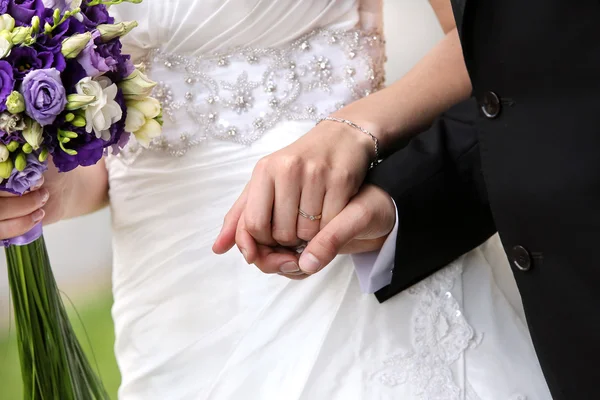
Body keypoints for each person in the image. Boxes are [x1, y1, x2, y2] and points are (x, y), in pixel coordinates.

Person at [0, 1, 550, 399]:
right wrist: (39, 189)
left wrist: (356, 129)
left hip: (335, 241)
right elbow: (110, 158)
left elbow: (492, 34)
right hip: (171, 301)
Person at [221, 0, 600, 398]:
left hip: (345, 217)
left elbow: (506, 51)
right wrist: (394, 198)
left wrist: (355, 128)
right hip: (166, 252)